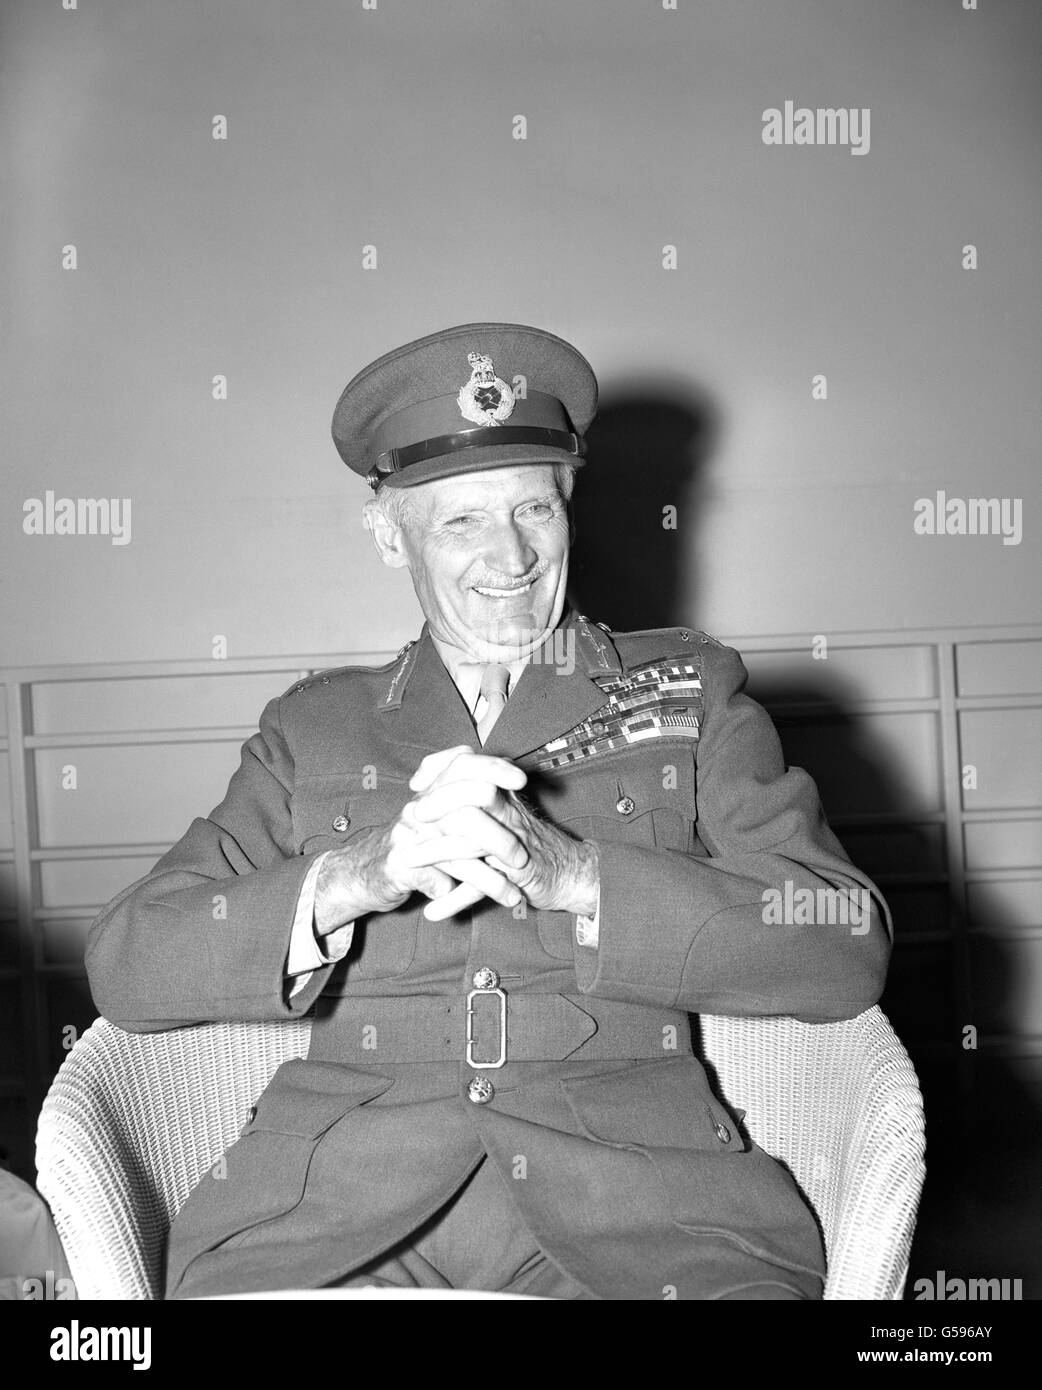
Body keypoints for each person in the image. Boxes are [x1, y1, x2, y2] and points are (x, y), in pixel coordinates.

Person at [85, 322, 892, 1300]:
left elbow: (842, 944)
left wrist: (580, 877)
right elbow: (129, 964)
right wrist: (351, 879)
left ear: (568, 509)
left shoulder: (686, 692)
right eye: (461, 520)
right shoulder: (316, 727)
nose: (509, 555)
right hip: (338, 1227)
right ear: (390, 535)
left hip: (643, 1217)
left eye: (534, 509)